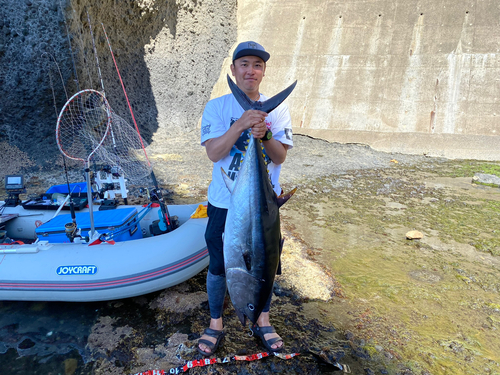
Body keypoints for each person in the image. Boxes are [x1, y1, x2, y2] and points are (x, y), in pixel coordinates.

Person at [198, 41, 294, 356]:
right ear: (234, 70)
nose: (250, 70)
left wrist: (264, 133)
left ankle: (262, 319)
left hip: (265, 205)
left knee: (267, 262)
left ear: (263, 71)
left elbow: (279, 157)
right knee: (218, 264)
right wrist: (241, 124)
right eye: (244, 64)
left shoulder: (277, 109)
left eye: (257, 65)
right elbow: (214, 153)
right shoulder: (217, 107)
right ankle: (215, 324)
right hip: (226, 203)